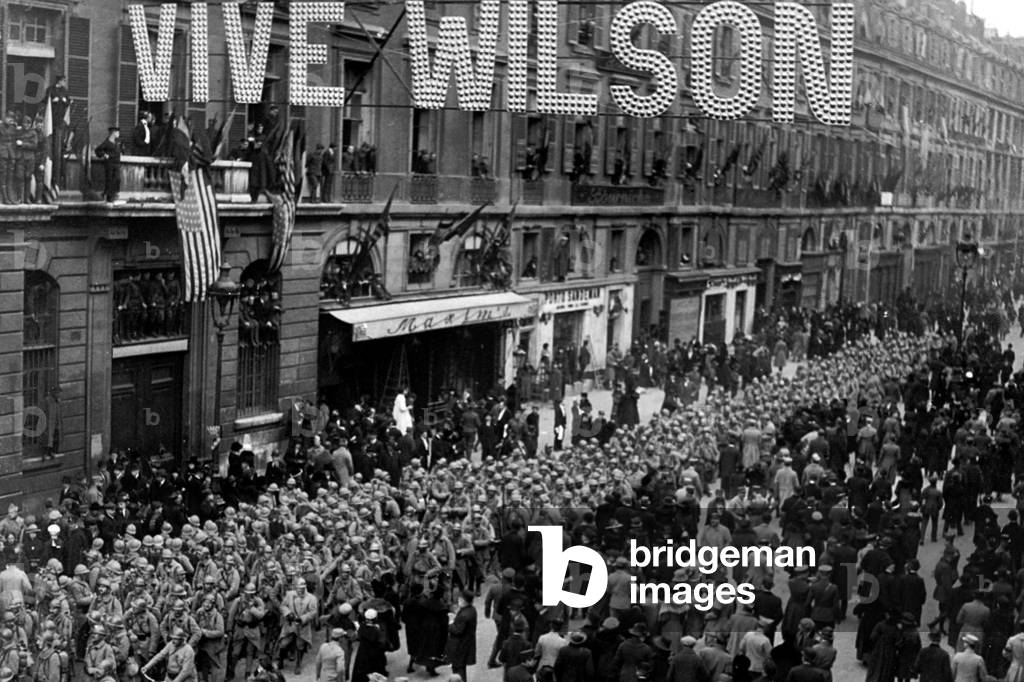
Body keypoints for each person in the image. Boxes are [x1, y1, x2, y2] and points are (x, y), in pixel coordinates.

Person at [445, 590, 477, 681]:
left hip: (459, 646)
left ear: (464, 600)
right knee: (461, 668)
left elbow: (457, 630)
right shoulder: (472, 610)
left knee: (458, 669)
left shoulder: (464, 615)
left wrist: (451, 622)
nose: (458, 600)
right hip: (466, 644)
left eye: (460, 599)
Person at [95, 127, 122, 203]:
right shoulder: (107, 143)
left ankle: (112, 194)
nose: (118, 134)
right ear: (113, 133)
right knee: (109, 180)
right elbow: (97, 150)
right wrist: (104, 154)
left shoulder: (118, 142)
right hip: (110, 164)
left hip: (117, 164)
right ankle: (109, 197)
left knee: (117, 179)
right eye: (117, 132)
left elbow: (120, 149)